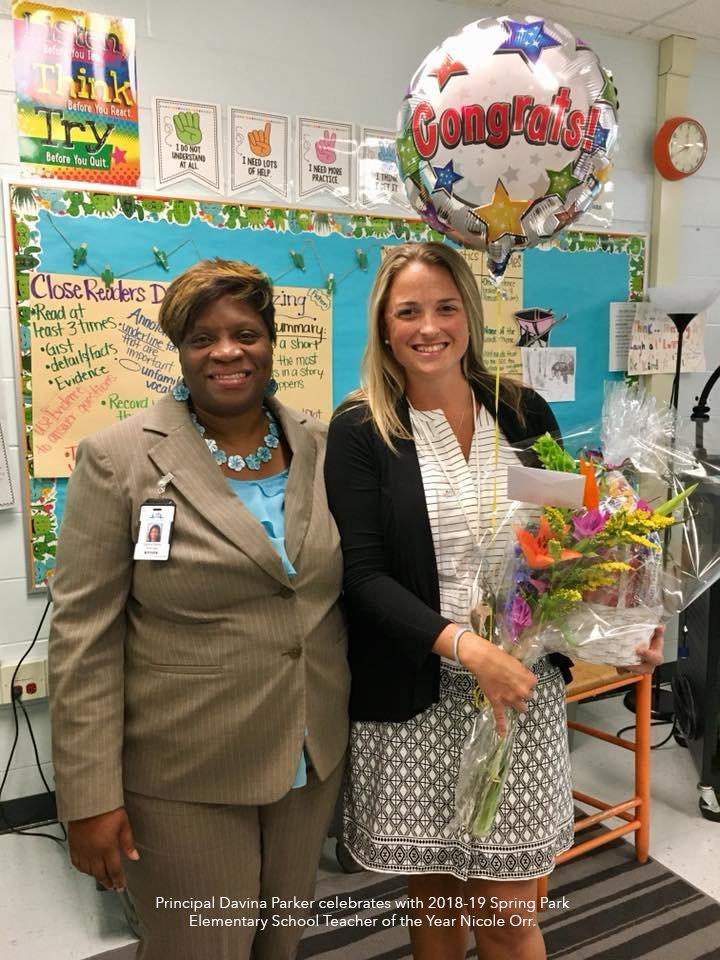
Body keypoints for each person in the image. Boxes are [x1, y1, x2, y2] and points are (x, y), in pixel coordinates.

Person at [324, 242, 663, 960]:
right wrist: (468, 648)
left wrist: (625, 619)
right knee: (439, 897)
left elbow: (572, 539)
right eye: (408, 310)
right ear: (383, 325)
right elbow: (363, 576)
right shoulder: (361, 429)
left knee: (510, 912)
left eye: (446, 308)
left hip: (518, 689)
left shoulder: (519, 408)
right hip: (416, 693)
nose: (429, 327)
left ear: (470, 318)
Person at [49, 258, 350, 960]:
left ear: (271, 340)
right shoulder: (118, 458)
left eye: (245, 333)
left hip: (308, 751)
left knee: (279, 942)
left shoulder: (321, 443)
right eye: (201, 337)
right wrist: (88, 797)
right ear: (179, 350)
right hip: (186, 768)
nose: (226, 352)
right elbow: (83, 639)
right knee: (200, 945)